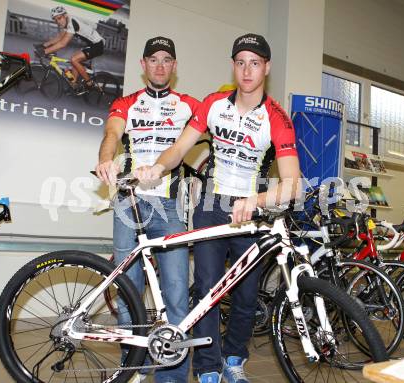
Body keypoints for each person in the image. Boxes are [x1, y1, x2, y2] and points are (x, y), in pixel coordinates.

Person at [134, 33, 301, 383]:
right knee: (208, 290)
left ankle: (234, 361)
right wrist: (158, 168)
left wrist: (254, 202)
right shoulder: (212, 104)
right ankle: (208, 367)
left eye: (254, 63)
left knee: (245, 294)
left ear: (266, 68)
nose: (247, 70)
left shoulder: (277, 118)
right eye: (240, 62)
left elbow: (292, 183)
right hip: (211, 205)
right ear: (233, 66)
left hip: (252, 212)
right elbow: (179, 150)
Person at [95, 36, 199, 383]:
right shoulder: (127, 103)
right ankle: (133, 369)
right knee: (128, 293)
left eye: (166, 59)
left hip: (169, 206)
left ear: (174, 66)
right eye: (152, 59)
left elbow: (223, 122)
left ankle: (171, 377)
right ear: (143, 65)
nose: (159, 65)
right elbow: (112, 132)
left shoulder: (188, 104)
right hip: (129, 204)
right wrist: (105, 158)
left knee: (176, 293)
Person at [37, 6, 104, 89]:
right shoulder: (68, 22)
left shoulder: (71, 23)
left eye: (59, 18)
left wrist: (44, 51)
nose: (58, 21)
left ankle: (89, 83)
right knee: (74, 59)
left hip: (97, 45)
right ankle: (74, 83)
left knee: (74, 59)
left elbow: (63, 43)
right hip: (91, 44)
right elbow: (59, 37)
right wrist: (44, 45)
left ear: (65, 15)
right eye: (55, 20)